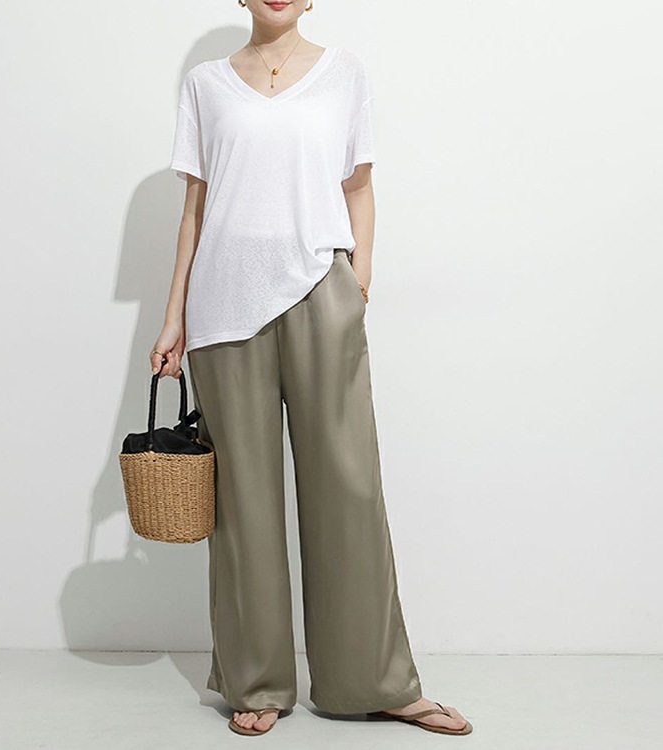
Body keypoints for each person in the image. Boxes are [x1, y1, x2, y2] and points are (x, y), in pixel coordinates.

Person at [150, 0, 472, 738]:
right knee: (244, 501)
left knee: (348, 485)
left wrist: (359, 281)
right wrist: (173, 316)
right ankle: (257, 681)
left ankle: (375, 681)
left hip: (321, 287)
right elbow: (195, 208)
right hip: (224, 303)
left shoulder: (344, 74)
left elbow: (358, 185)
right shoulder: (205, 84)